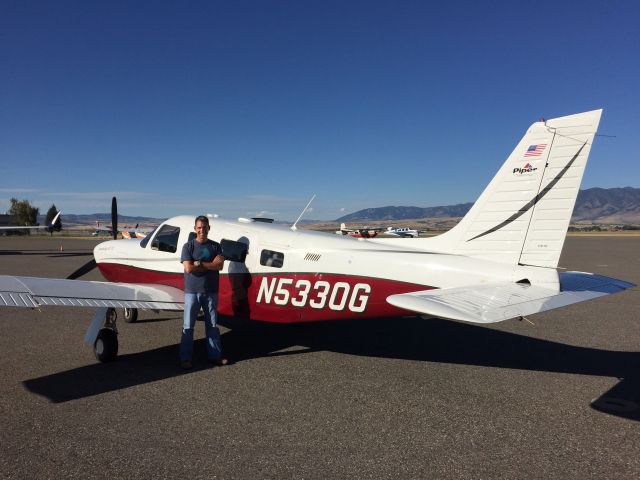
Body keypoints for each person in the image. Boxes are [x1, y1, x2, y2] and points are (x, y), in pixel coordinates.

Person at [179, 215, 229, 369]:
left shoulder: (216, 246)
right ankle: (185, 358)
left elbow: (219, 266)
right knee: (188, 326)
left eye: (205, 227)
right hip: (192, 292)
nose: (202, 230)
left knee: (212, 326)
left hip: (211, 292)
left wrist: (199, 263)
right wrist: (209, 264)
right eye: (199, 227)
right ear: (195, 229)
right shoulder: (188, 247)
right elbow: (188, 268)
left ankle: (215, 356)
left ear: (209, 228)